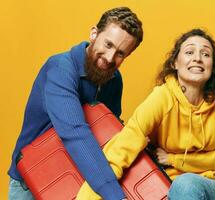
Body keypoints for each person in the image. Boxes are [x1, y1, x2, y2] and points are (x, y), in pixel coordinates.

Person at [77, 28, 215, 200]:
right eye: (189, 52)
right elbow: (124, 145)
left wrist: (175, 160)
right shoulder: (162, 98)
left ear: (213, 66)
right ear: (175, 63)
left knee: (185, 185)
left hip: (212, 186)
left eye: (205, 54)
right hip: (162, 186)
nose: (197, 58)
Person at [8, 7, 143, 200]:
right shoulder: (61, 69)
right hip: (33, 185)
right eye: (108, 44)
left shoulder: (113, 79)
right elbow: (75, 132)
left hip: (78, 183)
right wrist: (116, 196)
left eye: (120, 53)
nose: (110, 57)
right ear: (94, 33)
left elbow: (110, 133)